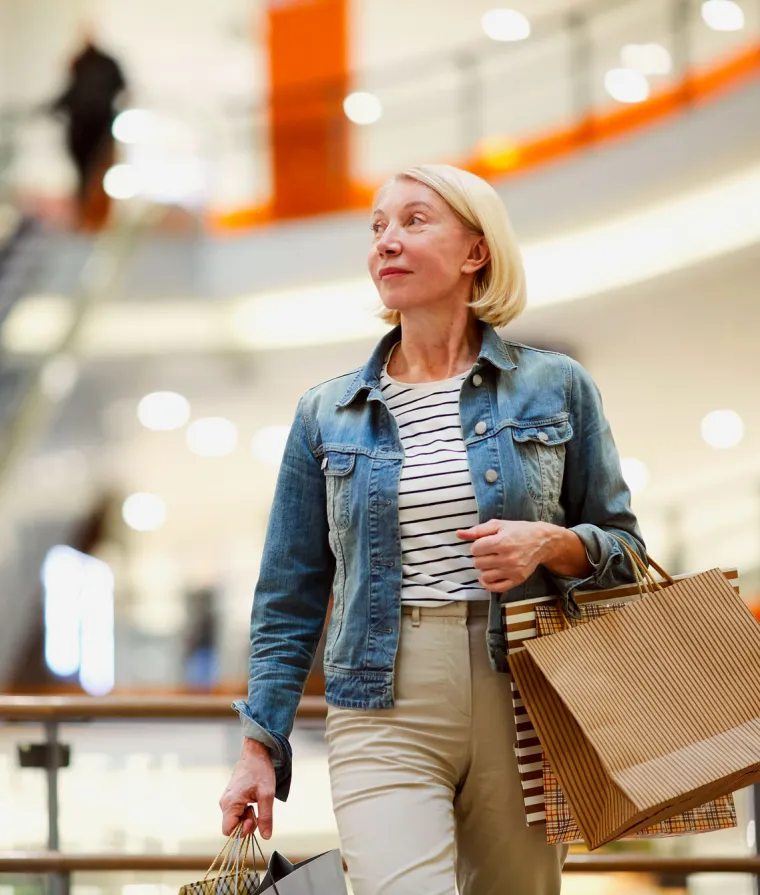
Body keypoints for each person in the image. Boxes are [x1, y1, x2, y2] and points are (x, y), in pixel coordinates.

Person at [219, 164, 646, 894]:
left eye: (414, 220)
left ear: (477, 250)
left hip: (529, 691)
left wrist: (550, 543)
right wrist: (260, 743)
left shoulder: (556, 386)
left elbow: (626, 553)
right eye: (377, 226)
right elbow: (288, 595)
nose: (386, 241)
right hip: (380, 698)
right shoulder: (327, 413)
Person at [49, 31, 126, 228]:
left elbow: (121, 87)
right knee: (85, 173)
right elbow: (71, 91)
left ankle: (95, 218)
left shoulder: (105, 63)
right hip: (82, 127)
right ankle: (85, 216)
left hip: (97, 126)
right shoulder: (81, 62)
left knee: (96, 173)